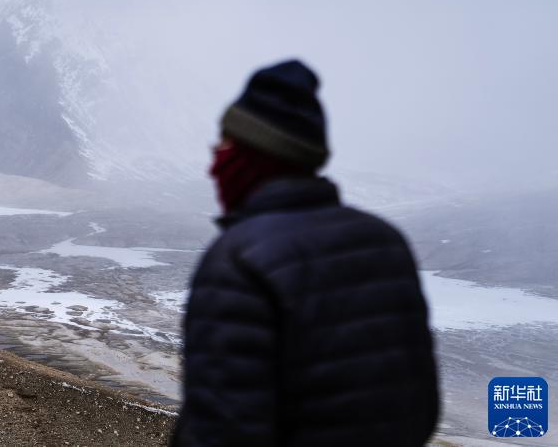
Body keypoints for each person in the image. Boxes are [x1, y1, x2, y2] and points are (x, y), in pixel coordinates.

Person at [172, 59, 439, 446]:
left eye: (226, 144)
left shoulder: (239, 259)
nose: (214, 163)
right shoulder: (386, 242)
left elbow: (223, 431)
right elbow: (419, 408)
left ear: (253, 155)